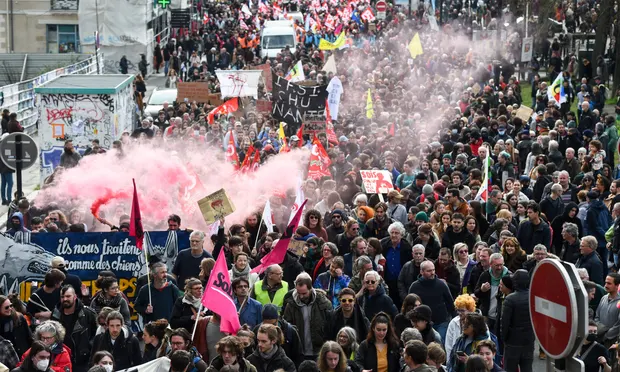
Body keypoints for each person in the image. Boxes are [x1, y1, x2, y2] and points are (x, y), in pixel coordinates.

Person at [282, 272, 333, 360]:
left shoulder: (323, 302)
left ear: (310, 288)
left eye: (304, 293)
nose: (301, 296)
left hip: (319, 350)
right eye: (299, 293)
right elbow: (287, 326)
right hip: (299, 351)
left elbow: (330, 325)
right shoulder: (290, 304)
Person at [51, 286, 97, 372]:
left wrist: (88, 347)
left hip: (83, 361)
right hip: (61, 360)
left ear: (75, 297)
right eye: (62, 297)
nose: (65, 299)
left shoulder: (87, 313)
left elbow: (97, 334)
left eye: (68, 296)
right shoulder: (55, 314)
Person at [408, 261, 455, 343]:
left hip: (441, 321)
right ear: (421, 272)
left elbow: (450, 302)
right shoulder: (415, 287)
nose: (432, 273)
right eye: (429, 271)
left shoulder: (441, 284)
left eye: (433, 270)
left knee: (440, 342)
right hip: (422, 323)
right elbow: (409, 305)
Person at [501, 270, 534, 372]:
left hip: (513, 341)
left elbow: (505, 323)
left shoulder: (510, 299)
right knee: (527, 368)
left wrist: (504, 338)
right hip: (528, 340)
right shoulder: (533, 296)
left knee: (509, 368)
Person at [474, 253, 510, 332]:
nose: (499, 267)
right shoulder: (485, 275)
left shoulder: (508, 276)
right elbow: (476, 293)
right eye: (496, 265)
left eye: (501, 265)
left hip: (501, 317)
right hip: (487, 316)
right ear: (490, 264)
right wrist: (482, 290)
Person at [445, 295, 477, 360]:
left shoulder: (479, 324)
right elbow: (448, 346)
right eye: (458, 310)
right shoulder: (453, 322)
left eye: (462, 311)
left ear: (470, 310)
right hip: (455, 360)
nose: (459, 313)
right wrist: (450, 362)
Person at [594, 273, 620, 347]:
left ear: (617, 286)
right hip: (599, 338)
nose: (605, 285)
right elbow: (597, 316)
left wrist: (606, 336)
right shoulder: (603, 298)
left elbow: (618, 325)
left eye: (609, 283)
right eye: (605, 282)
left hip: (612, 342)